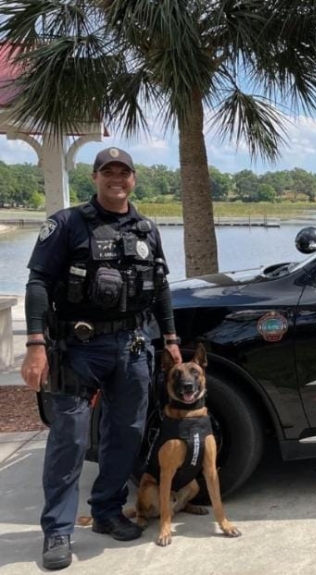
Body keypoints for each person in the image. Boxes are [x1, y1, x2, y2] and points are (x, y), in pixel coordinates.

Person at [20, 147, 183, 571]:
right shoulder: (67, 224)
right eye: (107, 171)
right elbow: (38, 282)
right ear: (94, 178)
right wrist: (35, 344)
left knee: (126, 432)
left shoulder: (146, 229)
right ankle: (58, 531)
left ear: (133, 178)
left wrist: (170, 338)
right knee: (70, 438)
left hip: (132, 345)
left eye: (123, 172)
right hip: (78, 347)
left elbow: (161, 287)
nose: (116, 178)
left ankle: (108, 511)